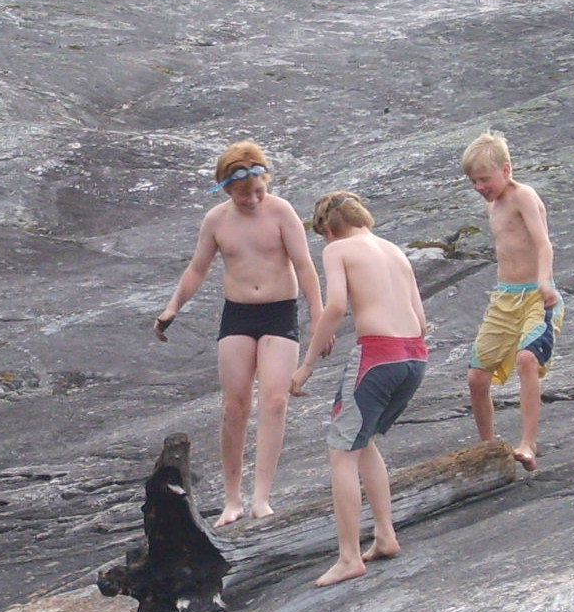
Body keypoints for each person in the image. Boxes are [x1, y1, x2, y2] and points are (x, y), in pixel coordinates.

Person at [154, 141, 326, 527]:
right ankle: (232, 499)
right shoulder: (216, 220)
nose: (253, 199)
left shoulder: (281, 211)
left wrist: (318, 316)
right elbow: (198, 268)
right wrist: (173, 307)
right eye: (244, 193)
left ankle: (261, 497)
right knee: (234, 405)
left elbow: (305, 265)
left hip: (279, 312)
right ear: (227, 189)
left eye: (259, 190)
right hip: (238, 315)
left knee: (275, 400)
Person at [289, 191, 428, 588]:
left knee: (340, 451)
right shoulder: (394, 250)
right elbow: (421, 317)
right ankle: (385, 534)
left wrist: (307, 365)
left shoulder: (339, 249)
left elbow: (335, 307)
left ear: (329, 229)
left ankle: (349, 556)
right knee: (362, 441)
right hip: (414, 356)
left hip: (378, 356)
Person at [462, 132, 564, 472]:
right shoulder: (492, 203)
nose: (479, 186)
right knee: (477, 376)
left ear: (506, 170)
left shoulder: (524, 196)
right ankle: (488, 447)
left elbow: (543, 243)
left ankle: (528, 442)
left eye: (484, 179)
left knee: (526, 359)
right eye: (473, 181)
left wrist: (545, 280)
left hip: (536, 295)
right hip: (504, 297)